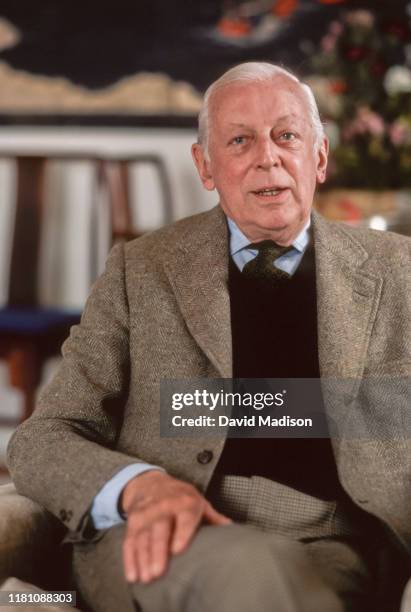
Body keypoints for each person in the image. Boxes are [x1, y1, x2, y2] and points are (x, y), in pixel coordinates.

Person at [7, 62, 411, 612]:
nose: (268, 156)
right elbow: (42, 438)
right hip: (165, 532)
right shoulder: (141, 270)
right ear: (205, 165)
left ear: (319, 156)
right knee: (247, 572)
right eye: (240, 140)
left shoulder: (397, 272)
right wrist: (141, 485)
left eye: (287, 135)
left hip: (332, 541)